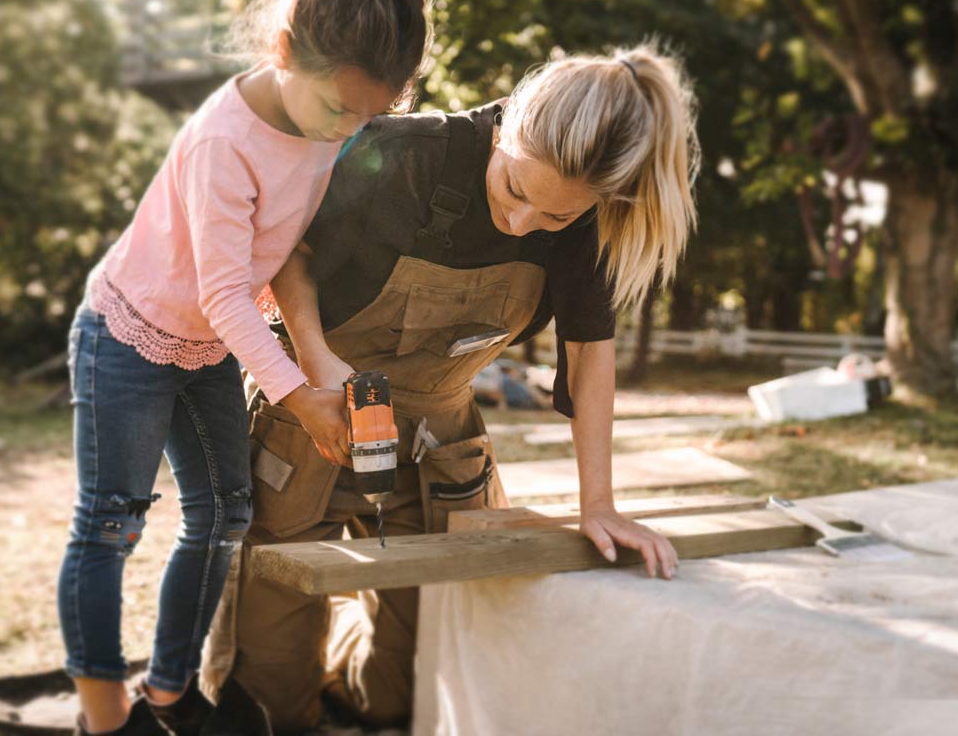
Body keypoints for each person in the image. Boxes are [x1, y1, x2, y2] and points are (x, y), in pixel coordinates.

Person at [201, 44, 701, 732]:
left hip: (442, 440)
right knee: (269, 689)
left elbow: (590, 354)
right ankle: (285, 686)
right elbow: (294, 253)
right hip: (314, 413)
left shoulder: (588, 217)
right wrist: (315, 370)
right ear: (508, 127)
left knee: (414, 677)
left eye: (553, 219)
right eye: (515, 191)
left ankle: (350, 668)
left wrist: (599, 503)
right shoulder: (403, 154)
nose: (523, 224)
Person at [56, 0, 428, 733]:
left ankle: (170, 687)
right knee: (113, 520)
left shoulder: (330, 122)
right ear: (284, 47)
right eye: (339, 107)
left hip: (207, 346)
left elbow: (288, 258)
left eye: (371, 115)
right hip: (129, 335)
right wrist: (301, 400)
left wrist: (318, 361)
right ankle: (105, 714)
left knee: (224, 514)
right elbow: (226, 293)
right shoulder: (226, 142)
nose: (348, 130)